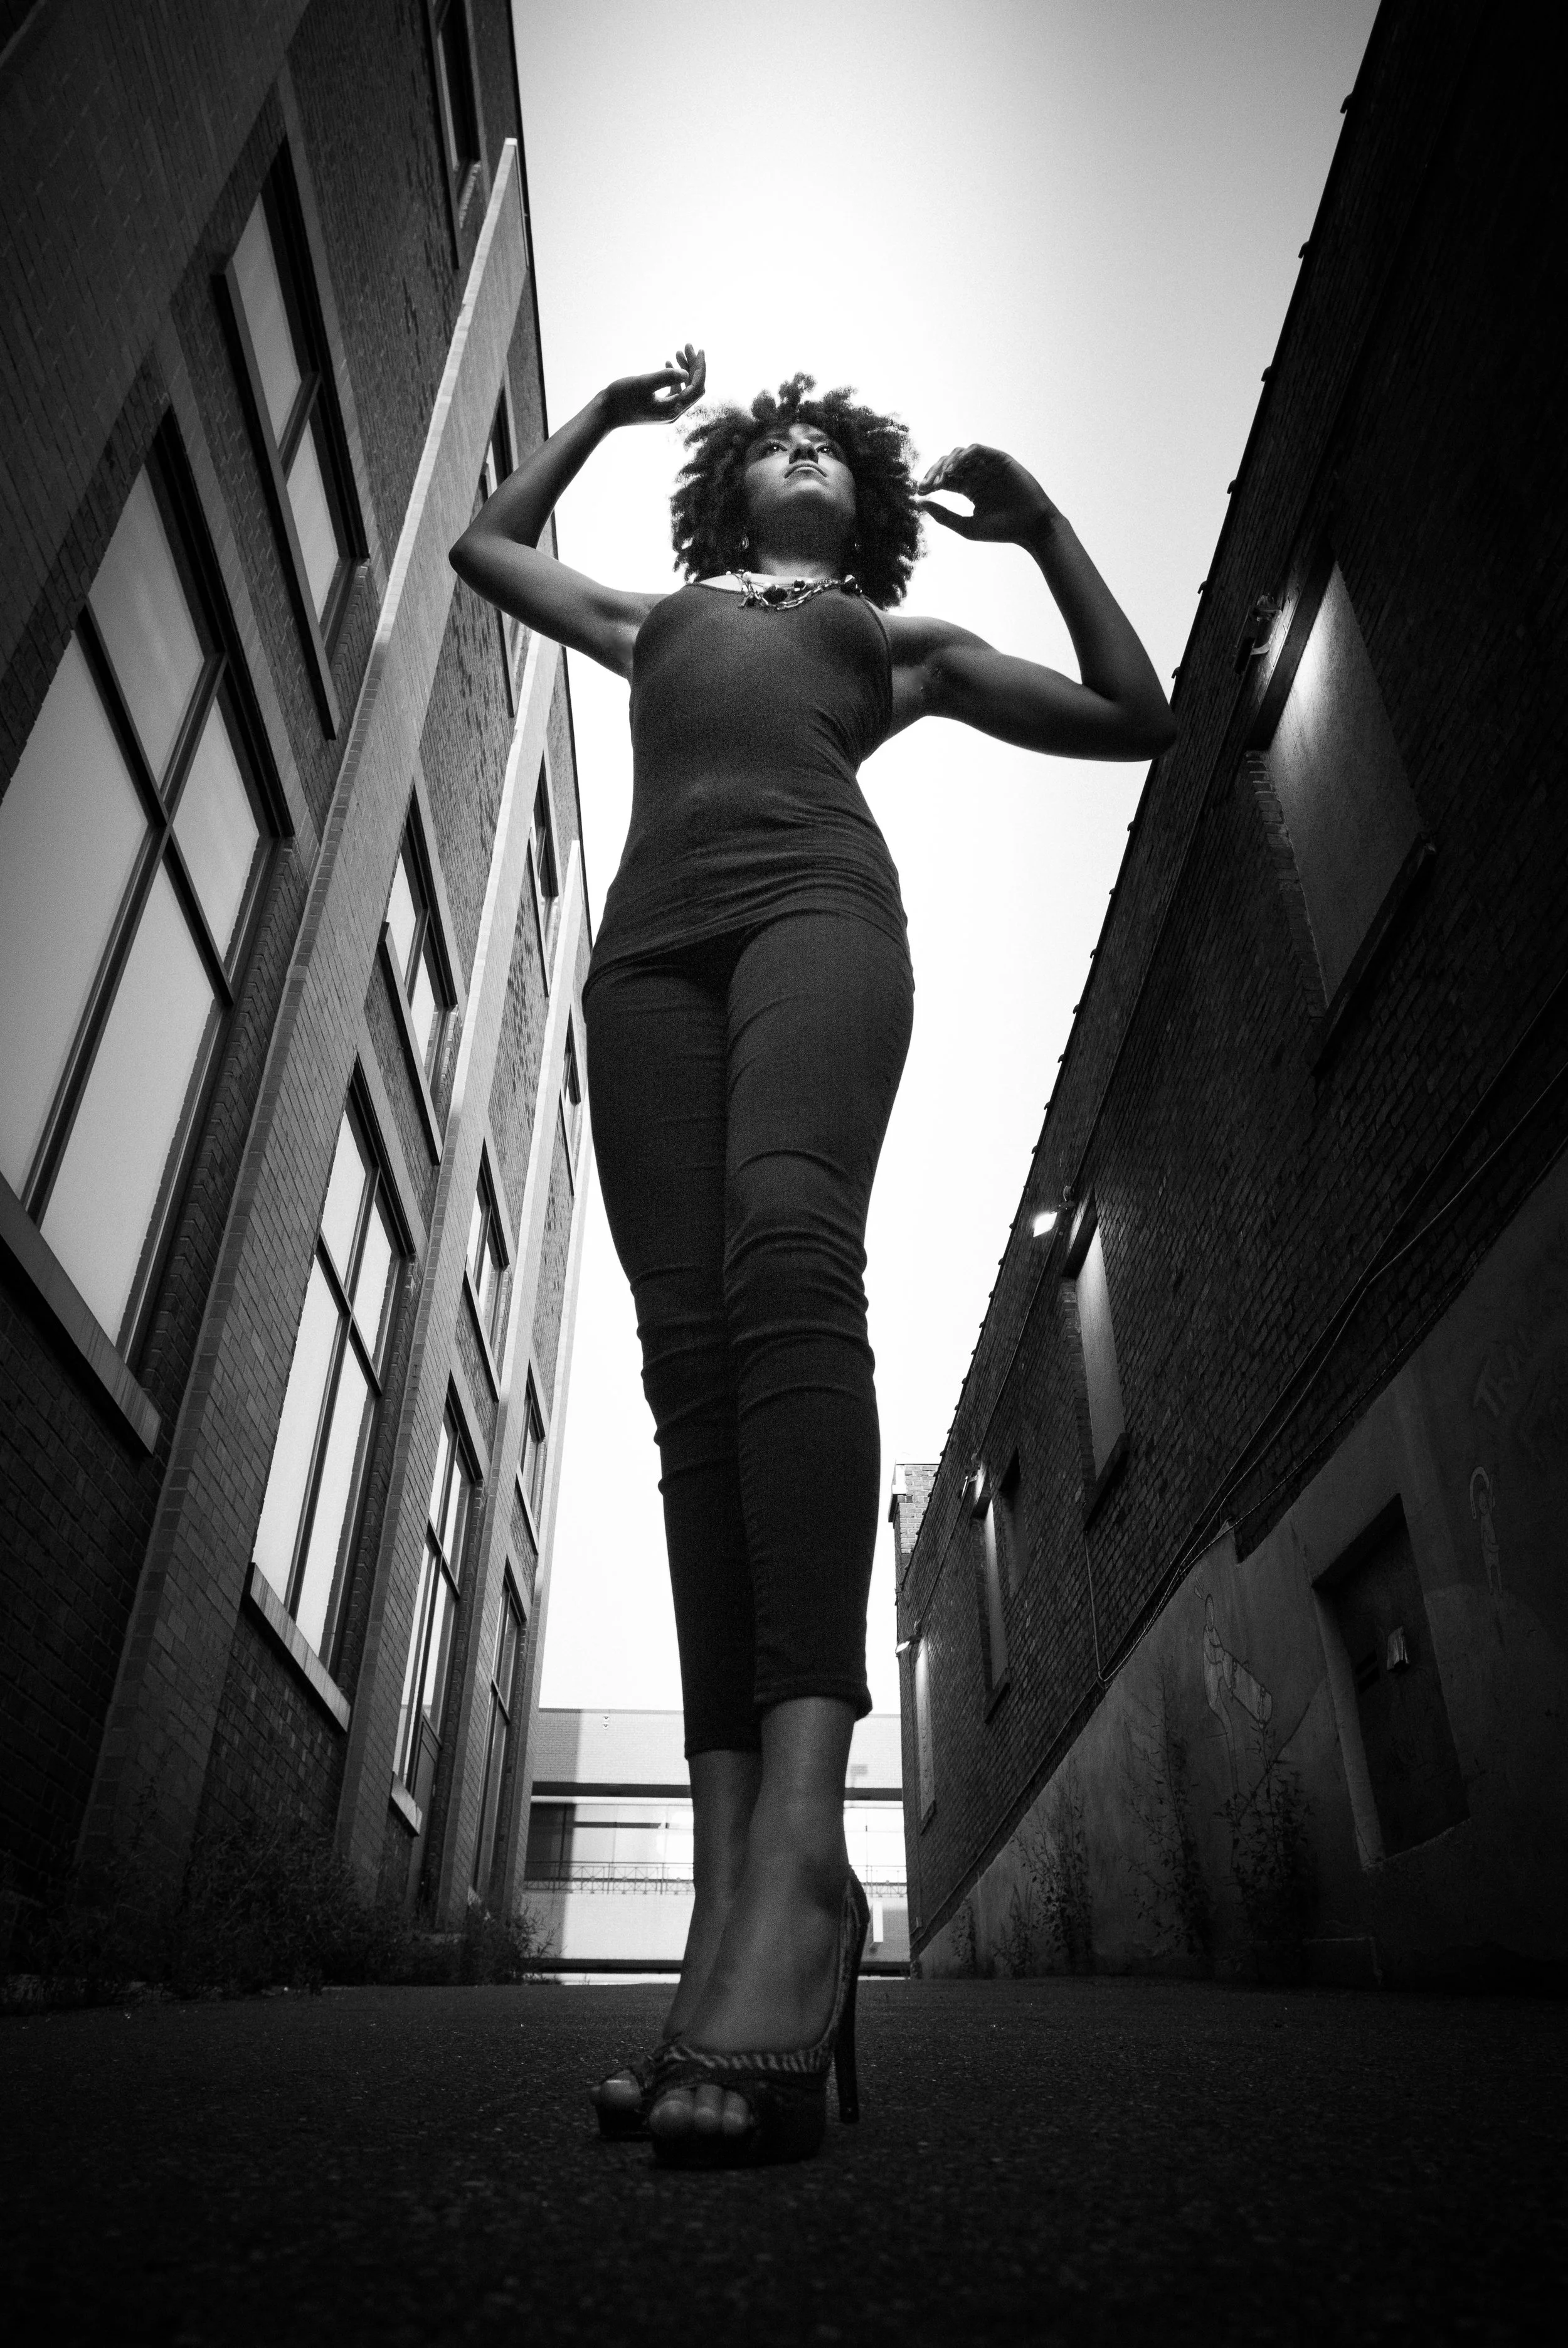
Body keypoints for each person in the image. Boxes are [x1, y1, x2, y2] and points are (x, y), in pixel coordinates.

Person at [451, 347, 1174, 2165]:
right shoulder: (657, 618)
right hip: (649, 961)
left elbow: (1135, 709)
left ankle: (801, 1873)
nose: (792, 455)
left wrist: (1047, 534)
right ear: (724, 487)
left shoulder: (885, 644)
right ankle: (721, 1926)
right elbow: (480, 545)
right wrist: (606, 417)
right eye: (760, 440)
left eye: (822, 448)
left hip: (814, 919)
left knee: (789, 1261)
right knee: (688, 1370)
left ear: (859, 496)